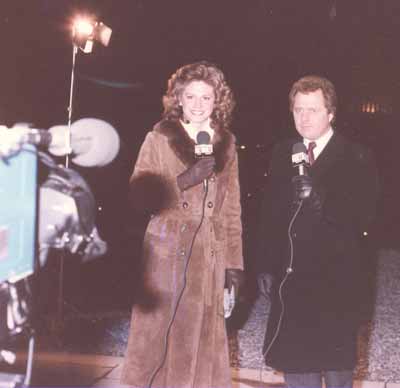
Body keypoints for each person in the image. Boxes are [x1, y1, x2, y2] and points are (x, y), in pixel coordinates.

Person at [121, 61, 244, 388]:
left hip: (209, 258)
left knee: (199, 343)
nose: (199, 105)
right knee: (155, 341)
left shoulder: (227, 145)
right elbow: (139, 196)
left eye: (207, 97)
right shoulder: (159, 138)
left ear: (218, 100)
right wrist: (185, 180)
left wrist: (233, 270)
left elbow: (232, 211)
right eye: (192, 97)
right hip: (164, 254)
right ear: (179, 99)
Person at [255, 75, 379, 388]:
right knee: (298, 368)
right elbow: (270, 215)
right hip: (293, 282)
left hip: (335, 283)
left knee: (336, 371)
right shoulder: (284, 152)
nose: (304, 117)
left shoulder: (356, 155)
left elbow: (364, 218)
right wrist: (267, 265)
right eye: (298, 110)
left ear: (331, 113)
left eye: (313, 109)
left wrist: (320, 199)